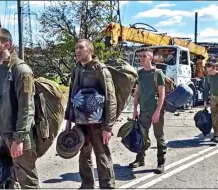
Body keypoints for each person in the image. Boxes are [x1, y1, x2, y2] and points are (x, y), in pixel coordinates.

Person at [0, 28, 40, 188]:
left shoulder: (21, 71)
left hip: (18, 137)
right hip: (1, 136)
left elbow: (27, 108)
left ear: (6, 44)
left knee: (27, 181)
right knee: (5, 180)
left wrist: (19, 139)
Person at [64, 39, 117, 189]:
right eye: (76, 48)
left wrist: (108, 127)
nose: (77, 51)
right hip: (80, 122)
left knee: (102, 155)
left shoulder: (101, 70)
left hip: (98, 123)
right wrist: (68, 120)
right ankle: (87, 184)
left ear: (90, 51)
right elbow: (71, 95)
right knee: (84, 154)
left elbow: (110, 99)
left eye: (81, 48)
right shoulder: (76, 69)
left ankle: (107, 185)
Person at [129, 50, 167, 174]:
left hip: (156, 110)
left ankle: (161, 163)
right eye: (140, 56)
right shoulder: (139, 74)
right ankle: (140, 159)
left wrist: (157, 112)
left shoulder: (157, 73)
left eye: (144, 56)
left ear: (151, 58)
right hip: (143, 111)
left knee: (159, 136)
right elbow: (137, 93)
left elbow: (162, 95)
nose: (141, 58)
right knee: (141, 135)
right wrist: (135, 109)